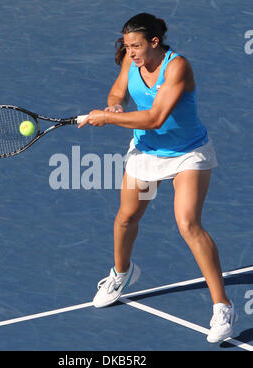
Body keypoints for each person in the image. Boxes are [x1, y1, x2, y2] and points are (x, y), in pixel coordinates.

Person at [78, 13, 236, 343]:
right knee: (126, 218)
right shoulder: (130, 60)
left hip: (188, 154)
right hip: (147, 152)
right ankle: (121, 273)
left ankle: (223, 306)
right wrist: (114, 106)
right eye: (126, 46)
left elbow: (154, 117)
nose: (130, 52)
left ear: (154, 42)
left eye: (135, 46)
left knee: (188, 223)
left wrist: (106, 119)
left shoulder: (177, 67)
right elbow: (117, 92)